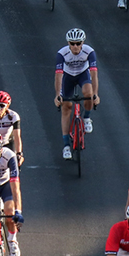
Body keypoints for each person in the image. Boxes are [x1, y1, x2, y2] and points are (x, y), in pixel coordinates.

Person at [54, 28, 99, 160]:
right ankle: (66, 145)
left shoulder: (89, 51)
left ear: (82, 42)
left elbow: (94, 73)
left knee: (88, 93)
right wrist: (58, 95)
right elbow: (58, 75)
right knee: (66, 108)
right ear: (68, 43)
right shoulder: (61, 54)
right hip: (67, 76)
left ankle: (86, 118)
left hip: (82, 75)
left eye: (78, 43)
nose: (75, 46)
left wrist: (96, 94)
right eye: (72, 43)